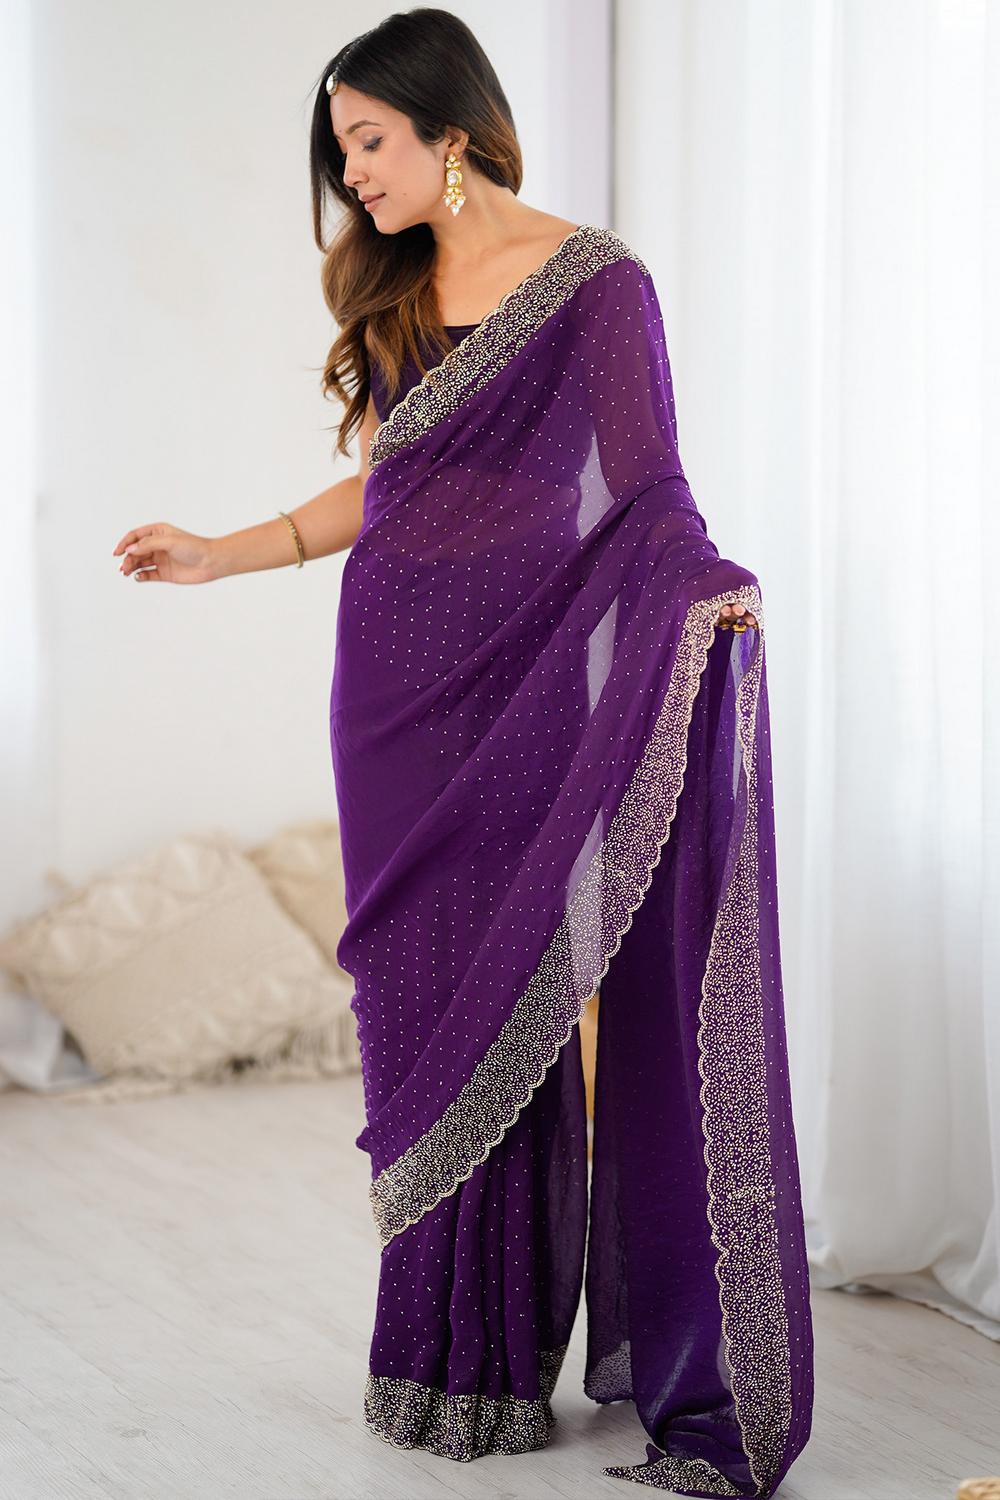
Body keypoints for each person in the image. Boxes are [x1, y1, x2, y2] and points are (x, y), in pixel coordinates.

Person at [112, 9, 813, 1496]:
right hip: (394, 699)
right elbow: (376, 490)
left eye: (368, 142)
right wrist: (221, 551)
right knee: (418, 1006)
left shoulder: (597, 285)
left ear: (452, 129)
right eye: (341, 151)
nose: (351, 177)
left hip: (530, 689)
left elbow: (648, 490)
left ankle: (510, 1360)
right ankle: (443, 1364)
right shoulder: (396, 297)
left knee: (518, 997)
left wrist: (708, 588)